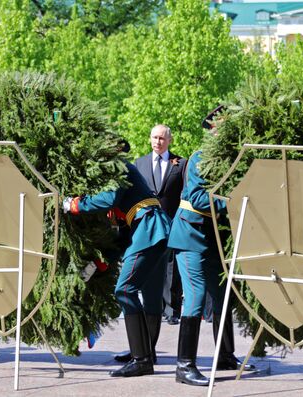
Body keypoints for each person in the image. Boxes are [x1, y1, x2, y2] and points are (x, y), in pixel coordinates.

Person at [63, 143, 170, 378]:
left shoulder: (119, 166)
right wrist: (101, 263)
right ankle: (144, 355)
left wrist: (74, 204)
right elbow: (122, 237)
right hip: (150, 229)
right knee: (136, 292)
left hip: (149, 228)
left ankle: (141, 359)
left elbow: (109, 199)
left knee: (125, 290)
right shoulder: (122, 172)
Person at [168, 106, 254, 387]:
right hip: (191, 234)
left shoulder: (233, 158)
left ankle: (225, 355)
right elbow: (197, 198)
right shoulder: (201, 158)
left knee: (223, 295)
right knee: (193, 297)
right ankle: (184, 366)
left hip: (212, 237)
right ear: (213, 130)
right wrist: (232, 201)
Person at [135, 125, 186, 325]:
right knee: (150, 265)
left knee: (172, 268)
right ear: (150, 139)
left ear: (169, 140)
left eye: (162, 138)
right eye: (155, 138)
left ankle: (172, 310)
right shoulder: (140, 163)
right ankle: (152, 306)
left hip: (172, 223)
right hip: (147, 225)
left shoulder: (180, 164)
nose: (158, 142)